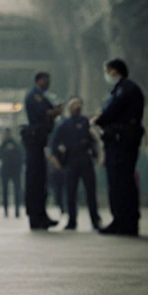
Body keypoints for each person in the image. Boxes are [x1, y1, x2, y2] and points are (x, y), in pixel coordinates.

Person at [94, 59, 145, 236]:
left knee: (122, 182)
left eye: (107, 71)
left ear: (115, 71)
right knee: (117, 183)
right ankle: (120, 220)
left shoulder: (126, 89)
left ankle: (127, 222)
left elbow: (111, 112)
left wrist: (99, 119)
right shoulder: (120, 89)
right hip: (117, 142)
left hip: (122, 142)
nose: (106, 75)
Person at [48, 97, 102, 230]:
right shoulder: (68, 124)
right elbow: (54, 144)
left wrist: (96, 154)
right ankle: (78, 220)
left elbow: (93, 140)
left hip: (81, 160)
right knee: (75, 192)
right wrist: (58, 160)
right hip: (75, 160)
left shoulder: (80, 122)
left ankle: (87, 219)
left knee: (84, 192)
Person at [21, 71, 64, 230]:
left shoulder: (42, 95)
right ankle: (36, 217)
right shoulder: (35, 95)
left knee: (40, 181)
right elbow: (44, 112)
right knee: (35, 180)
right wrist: (55, 112)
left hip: (40, 141)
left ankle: (41, 216)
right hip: (34, 141)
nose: (48, 83)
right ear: (39, 80)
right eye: (46, 80)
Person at [0, 128, 23, 218]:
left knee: (17, 190)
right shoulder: (3, 145)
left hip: (15, 170)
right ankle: (6, 210)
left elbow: (20, 154)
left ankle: (17, 210)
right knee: (5, 190)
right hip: (6, 170)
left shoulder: (15, 144)